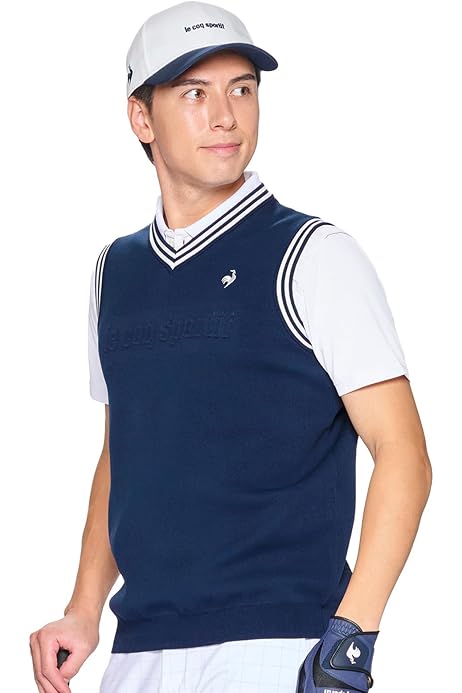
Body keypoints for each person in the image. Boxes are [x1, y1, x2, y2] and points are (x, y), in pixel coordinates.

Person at [29, 2, 433, 692]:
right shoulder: (115, 271)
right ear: (141, 118)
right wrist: (85, 608)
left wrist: (349, 640)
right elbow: (125, 449)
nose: (225, 116)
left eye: (242, 89)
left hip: (278, 645)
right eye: (195, 94)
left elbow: (404, 453)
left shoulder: (314, 255)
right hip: (139, 649)